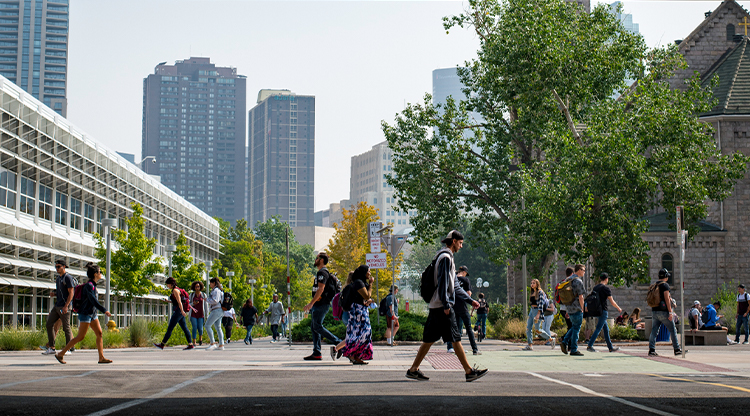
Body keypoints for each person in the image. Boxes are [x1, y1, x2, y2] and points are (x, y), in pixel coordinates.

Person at [406, 230, 487, 382]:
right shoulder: (445, 258)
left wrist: (470, 300)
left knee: (429, 339)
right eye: (461, 243)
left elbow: (455, 285)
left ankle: (413, 369)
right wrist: (446, 304)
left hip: (437, 305)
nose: (461, 246)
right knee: (455, 338)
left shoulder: (445, 257)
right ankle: (469, 372)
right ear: (454, 241)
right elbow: (443, 282)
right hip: (442, 306)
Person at [54, 263, 112, 364]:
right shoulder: (89, 286)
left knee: (99, 333)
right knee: (80, 337)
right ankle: (60, 354)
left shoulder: (93, 285)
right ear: (95, 274)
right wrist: (104, 310)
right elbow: (93, 300)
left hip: (92, 314)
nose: (101, 274)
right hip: (86, 314)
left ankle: (101, 357)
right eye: (100, 272)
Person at [303, 252, 342, 360]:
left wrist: (311, 304)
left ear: (320, 260)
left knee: (317, 326)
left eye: (316, 258)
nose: (315, 260)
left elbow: (321, 289)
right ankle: (317, 352)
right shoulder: (321, 272)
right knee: (314, 327)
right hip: (319, 304)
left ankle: (339, 343)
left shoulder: (322, 273)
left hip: (321, 304)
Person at [341, 265, 375, 365]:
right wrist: (371, 284)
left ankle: (356, 355)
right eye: (368, 271)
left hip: (360, 310)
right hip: (357, 311)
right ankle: (352, 353)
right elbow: (367, 295)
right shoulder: (359, 283)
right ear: (363, 272)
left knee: (359, 333)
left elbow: (361, 298)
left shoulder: (360, 282)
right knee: (363, 332)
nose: (370, 273)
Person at [42, 259, 76, 356]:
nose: (57, 268)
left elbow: (71, 293)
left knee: (66, 328)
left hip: (65, 306)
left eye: (58, 267)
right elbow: (61, 293)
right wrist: (55, 294)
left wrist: (66, 306)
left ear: (64, 267)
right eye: (56, 267)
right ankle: (52, 347)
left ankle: (68, 348)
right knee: (49, 324)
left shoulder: (67, 278)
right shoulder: (58, 279)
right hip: (57, 306)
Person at [647, 268, 683, 357]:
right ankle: (677, 349)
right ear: (666, 276)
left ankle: (651, 350)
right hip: (664, 312)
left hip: (654, 311)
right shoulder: (665, 285)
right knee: (673, 330)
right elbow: (666, 299)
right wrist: (670, 312)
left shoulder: (655, 285)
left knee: (654, 331)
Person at [445, 266, 479, 355]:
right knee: (468, 328)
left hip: (453, 306)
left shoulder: (452, 279)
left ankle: (451, 347)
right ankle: (474, 349)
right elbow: (468, 294)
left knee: (454, 328)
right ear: (464, 272)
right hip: (463, 308)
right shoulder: (466, 280)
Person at [153, 277, 195, 350]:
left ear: (172, 284)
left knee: (170, 328)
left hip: (178, 311)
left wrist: (182, 311)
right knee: (185, 328)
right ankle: (190, 344)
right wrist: (167, 301)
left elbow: (179, 302)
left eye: (168, 284)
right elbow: (176, 301)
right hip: (179, 311)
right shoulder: (177, 290)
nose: (167, 286)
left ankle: (162, 344)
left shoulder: (175, 290)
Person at [586, 273, 622, 353]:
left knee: (606, 329)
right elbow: (612, 301)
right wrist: (618, 308)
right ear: (606, 279)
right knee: (598, 328)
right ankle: (590, 345)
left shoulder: (596, 287)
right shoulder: (606, 289)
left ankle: (610, 347)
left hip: (597, 310)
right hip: (603, 311)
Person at [560, 264, 586, 356]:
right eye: (583, 270)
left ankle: (565, 341)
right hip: (577, 308)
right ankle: (574, 349)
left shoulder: (568, 279)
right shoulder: (578, 281)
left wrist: (567, 310)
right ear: (578, 270)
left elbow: (568, 297)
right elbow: (580, 296)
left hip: (569, 307)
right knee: (576, 328)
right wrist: (583, 308)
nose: (584, 272)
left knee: (574, 326)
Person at [524, 279, 552, 351]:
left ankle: (550, 339)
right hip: (532, 310)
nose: (532, 284)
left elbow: (540, 304)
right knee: (528, 328)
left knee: (537, 330)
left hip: (537, 311)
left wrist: (538, 314)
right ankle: (530, 345)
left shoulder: (540, 292)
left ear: (537, 284)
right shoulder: (532, 292)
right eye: (531, 283)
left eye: (534, 283)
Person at [205, 277, 225, 351]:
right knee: (218, 327)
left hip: (216, 310)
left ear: (213, 283)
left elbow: (215, 301)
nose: (210, 285)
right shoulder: (219, 290)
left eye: (210, 283)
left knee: (207, 325)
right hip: (220, 310)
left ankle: (212, 343)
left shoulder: (216, 290)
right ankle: (221, 344)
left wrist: (207, 299)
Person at [189, 281, 208, 347]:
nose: (197, 288)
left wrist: (207, 315)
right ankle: (194, 341)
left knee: (200, 328)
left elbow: (206, 305)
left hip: (201, 314)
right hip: (193, 314)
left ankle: (200, 339)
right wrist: (193, 303)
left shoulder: (203, 295)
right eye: (196, 286)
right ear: (194, 287)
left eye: (198, 286)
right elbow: (188, 304)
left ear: (200, 287)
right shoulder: (191, 295)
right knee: (194, 327)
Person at [557, 267, 574, 332]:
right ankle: (565, 339)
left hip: (562, 308)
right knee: (572, 326)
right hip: (568, 308)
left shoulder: (561, 283)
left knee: (570, 325)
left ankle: (566, 339)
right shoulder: (570, 283)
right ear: (572, 273)